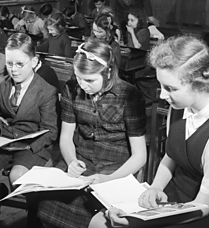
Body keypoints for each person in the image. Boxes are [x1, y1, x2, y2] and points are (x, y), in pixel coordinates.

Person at [104, 36, 209, 228]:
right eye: (161, 86)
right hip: (181, 190)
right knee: (102, 219)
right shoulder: (179, 106)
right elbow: (172, 155)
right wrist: (155, 187)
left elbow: (203, 206)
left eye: (170, 88)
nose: (161, 95)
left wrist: (139, 220)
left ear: (201, 81)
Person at [37, 39, 147, 228]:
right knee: (45, 206)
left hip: (117, 167)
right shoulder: (72, 88)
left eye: (90, 80)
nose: (83, 85)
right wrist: (71, 161)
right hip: (82, 162)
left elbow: (140, 156)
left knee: (98, 217)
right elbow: (66, 137)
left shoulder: (129, 95)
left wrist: (109, 179)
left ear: (108, 72)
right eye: (79, 78)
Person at [0, 33, 59, 227]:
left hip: (32, 145)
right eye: (9, 64)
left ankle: (34, 214)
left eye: (20, 64)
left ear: (34, 61)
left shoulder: (46, 90)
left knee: (17, 177)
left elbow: (51, 130)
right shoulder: (2, 84)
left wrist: (29, 146)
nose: (14, 70)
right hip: (4, 141)